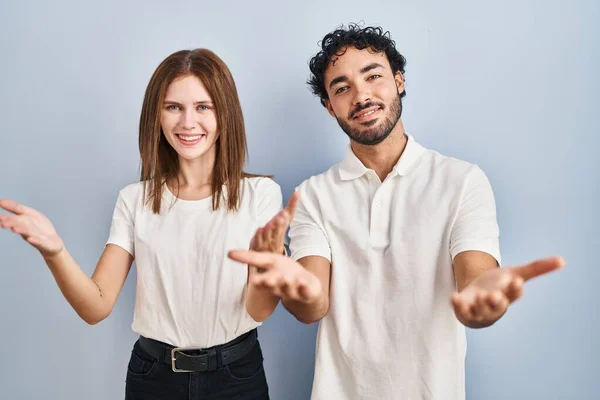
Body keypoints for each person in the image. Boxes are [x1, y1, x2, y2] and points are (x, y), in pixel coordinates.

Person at [228, 24, 565, 400]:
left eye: (373, 76)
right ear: (329, 106)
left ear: (399, 81)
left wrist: (484, 301)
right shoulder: (312, 195)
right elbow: (313, 304)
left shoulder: (462, 181)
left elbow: (475, 284)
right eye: (342, 88)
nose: (362, 95)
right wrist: (292, 287)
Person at [0, 48, 280, 400]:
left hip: (237, 375)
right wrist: (54, 250)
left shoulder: (261, 195)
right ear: (157, 116)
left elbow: (258, 309)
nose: (187, 122)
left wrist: (270, 272)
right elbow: (95, 307)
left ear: (225, 113)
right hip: (154, 378)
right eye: (173, 107)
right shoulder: (135, 200)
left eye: (203, 106)